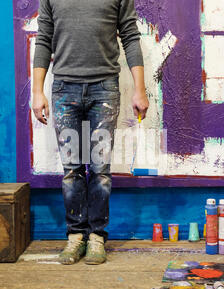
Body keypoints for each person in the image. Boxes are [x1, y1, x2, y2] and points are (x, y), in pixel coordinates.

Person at [32, 0, 149, 265]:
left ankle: (96, 237)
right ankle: (75, 237)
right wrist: (37, 92)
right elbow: (44, 39)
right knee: (72, 170)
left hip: (104, 89)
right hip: (64, 91)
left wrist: (139, 89)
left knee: (100, 169)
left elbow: (130, 36)